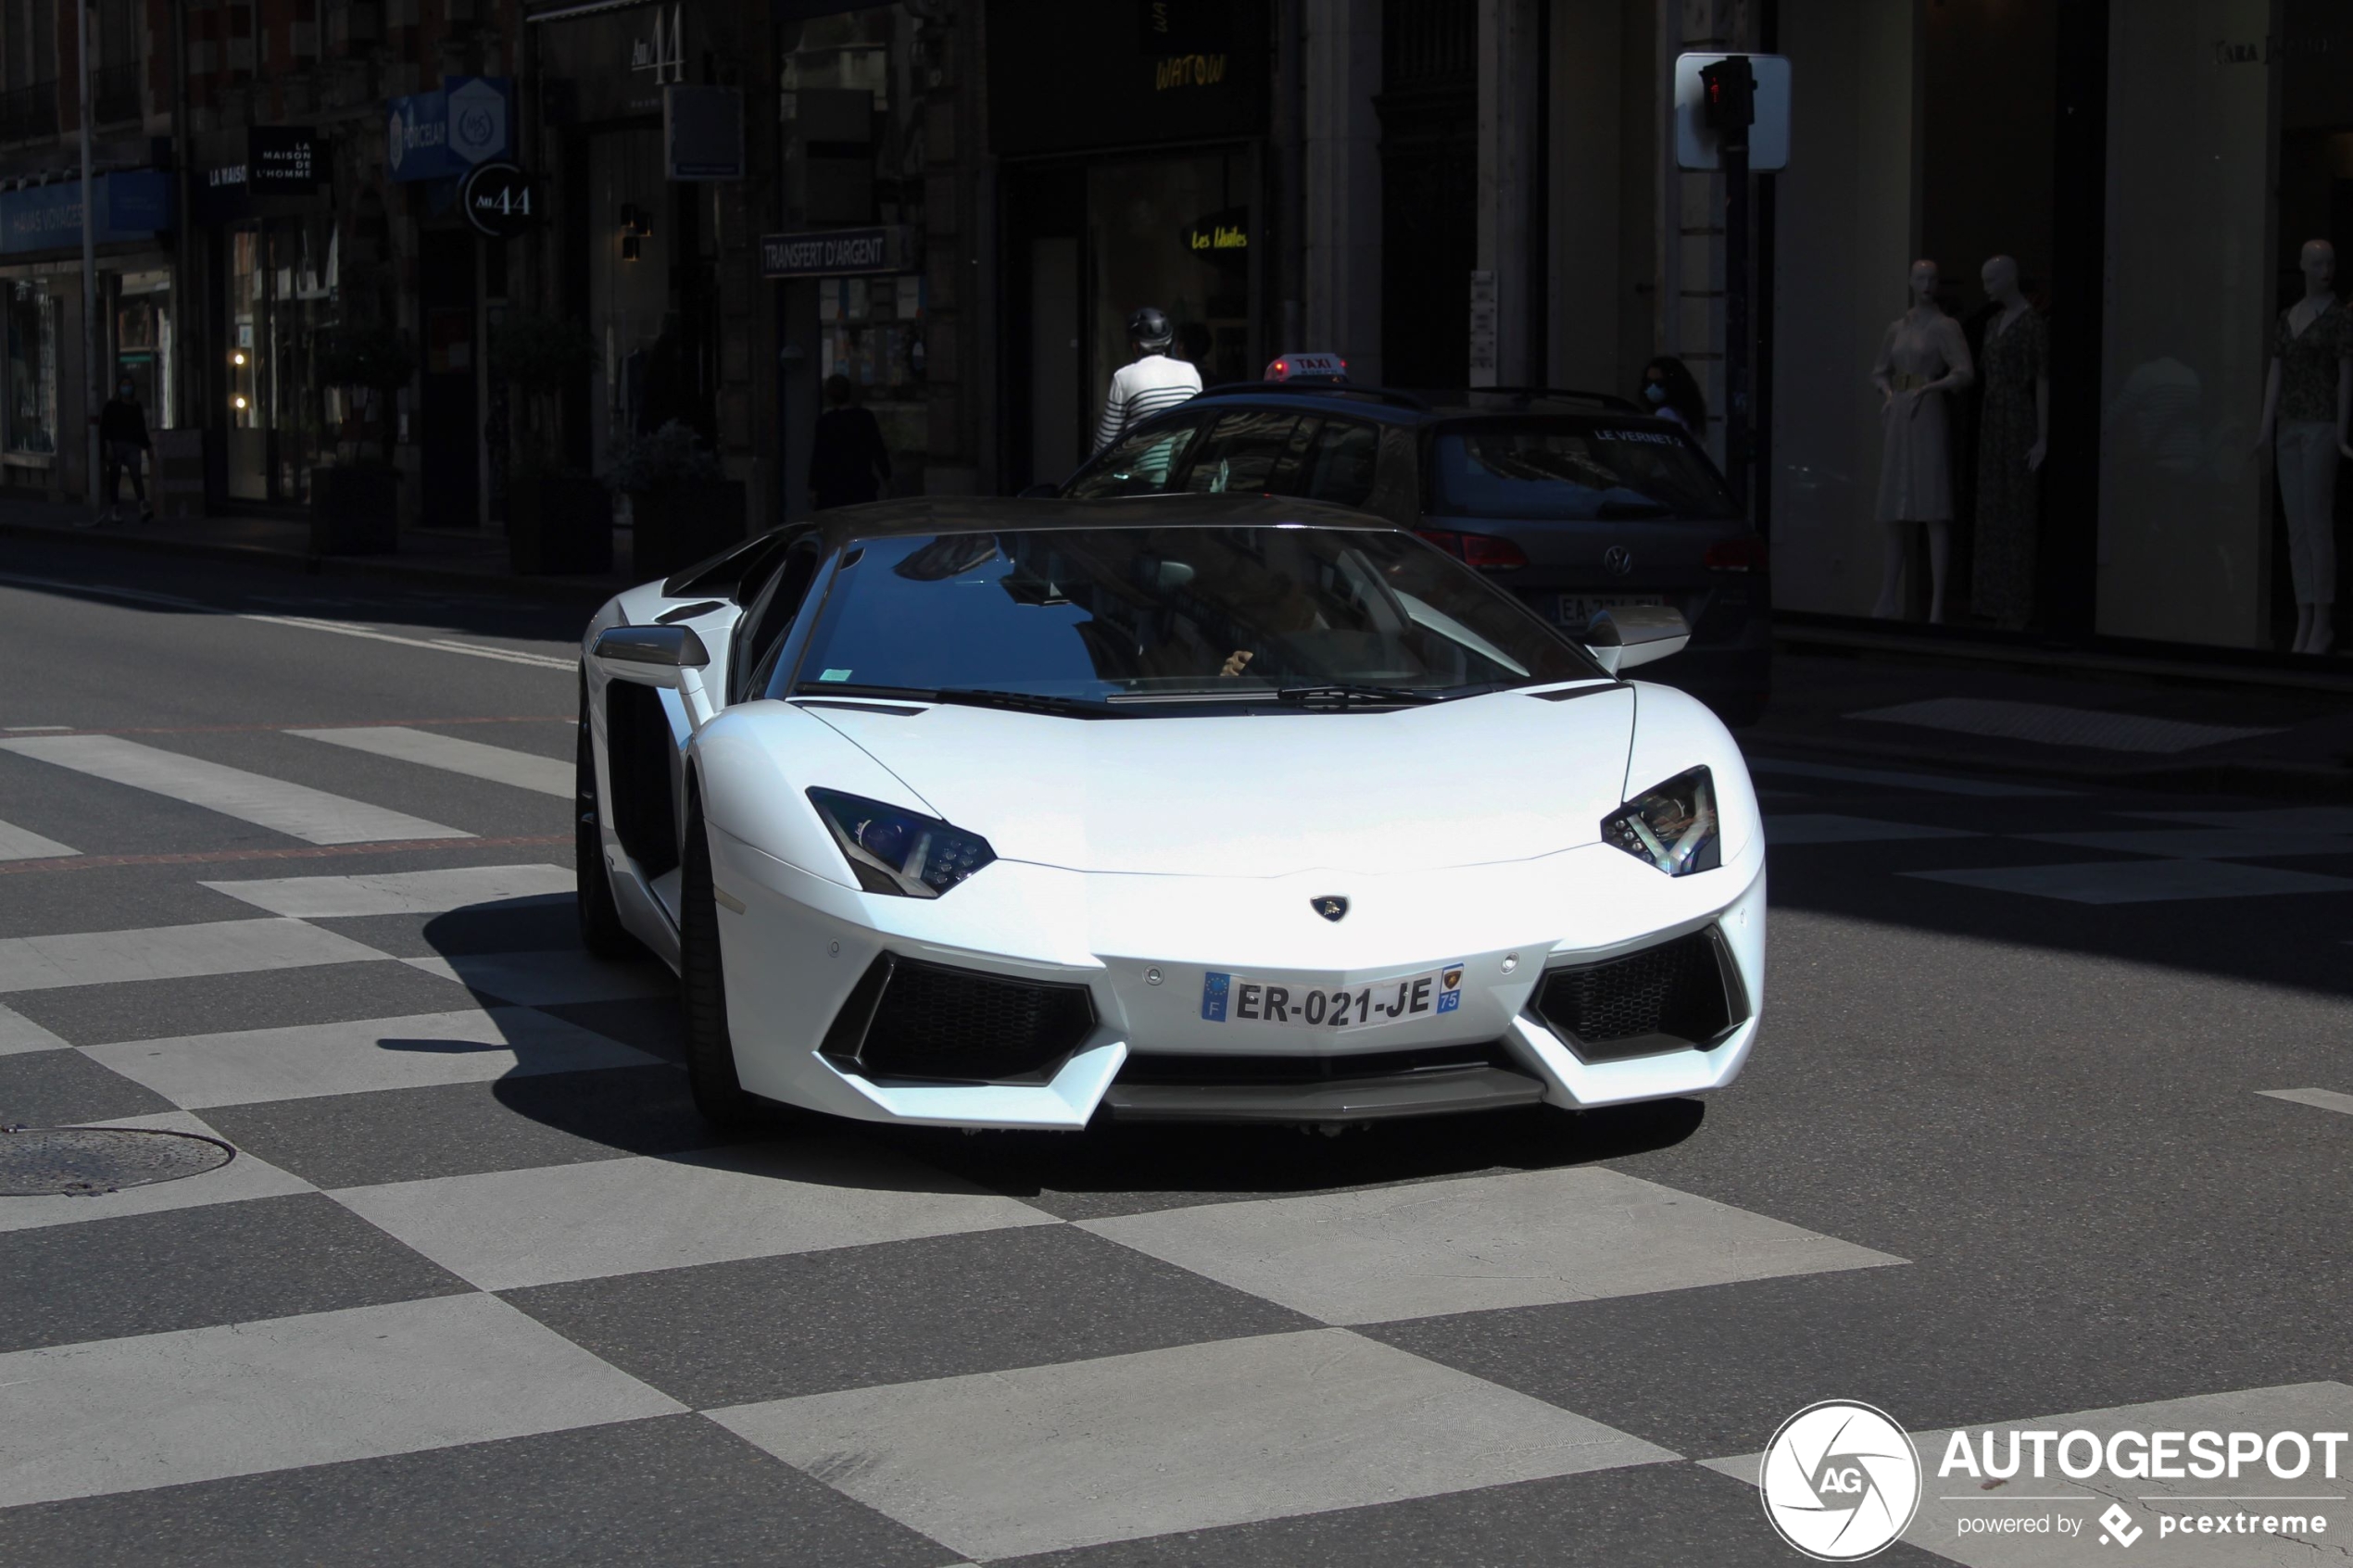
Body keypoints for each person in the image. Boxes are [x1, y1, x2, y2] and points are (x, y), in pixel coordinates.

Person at [1093, 307, 1202, 454]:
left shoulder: (1124, 376)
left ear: (1135, 345)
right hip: (1185, 468)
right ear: (1168, 341)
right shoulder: (1191, 371)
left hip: (1145, 472)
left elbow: (1105, 442)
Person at [809, 373, 890, 510]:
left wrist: (813, 487)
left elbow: (819, 458)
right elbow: (878, 450)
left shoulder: (825, 423)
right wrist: (888, 477)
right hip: (861, 487)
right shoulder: (864, 418)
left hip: (833, 490)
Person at [93, 376, 154, 527]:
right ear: (119, 388)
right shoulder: (112, 406)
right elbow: (105, 428)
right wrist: (107, 446)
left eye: (129, 385)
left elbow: (141, 428)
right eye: (124, 385)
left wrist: (148, 446)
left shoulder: (136, 406)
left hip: (132, 445)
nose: (127, 388)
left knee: (136, 474)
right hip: (116, 445)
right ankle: (115, 508)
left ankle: (142, 505)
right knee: (115, 476)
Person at [1640, 356, 1706, 433]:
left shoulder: (1665, 414)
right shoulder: (1687, 414)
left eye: (1659, 382)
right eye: (1649, 382)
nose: (1652, 387)